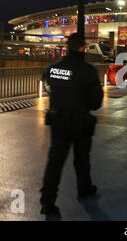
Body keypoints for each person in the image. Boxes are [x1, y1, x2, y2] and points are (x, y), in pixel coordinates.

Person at [40, 33, 104, 216]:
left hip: (58, 122)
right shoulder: (88, 70)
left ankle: (47, 202)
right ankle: (84, 189)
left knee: (55, 163)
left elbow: (47, 88)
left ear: (67, 47)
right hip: (80, 123)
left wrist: (60, 97)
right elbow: (96, 103)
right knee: (82, 159)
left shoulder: (52, 69)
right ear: (83, 48)